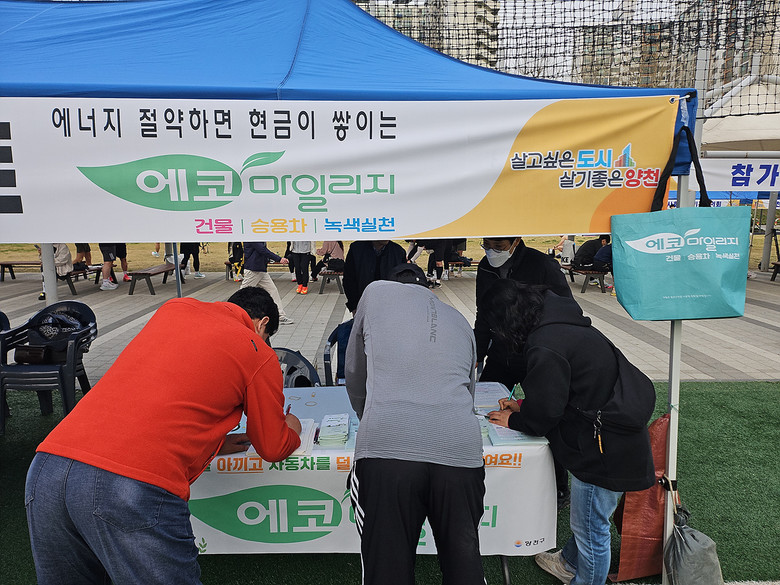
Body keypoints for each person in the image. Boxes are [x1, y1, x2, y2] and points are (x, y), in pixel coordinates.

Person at [25, 287, 302, 585]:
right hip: (131, 484)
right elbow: (273, 447)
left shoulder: (174, 310)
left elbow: (159, 396)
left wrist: (213, 443)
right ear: (262, 323)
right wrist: (293, 426)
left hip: (48, 468)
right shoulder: (256, 350)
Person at [482, 280, 654, 585]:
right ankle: (568, 563)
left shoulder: (546, 343)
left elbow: (546, 414)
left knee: (591, 529)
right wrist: (523, 407)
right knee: (589, 520)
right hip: (614, 435)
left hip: (604, 448)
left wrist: (514, 420)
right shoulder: (560, 323)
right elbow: (568, 391)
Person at [346, 263, 485, 585]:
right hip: (460, 451)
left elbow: (354, 371)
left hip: (387, 450)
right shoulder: (459, 318)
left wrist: (370, 415)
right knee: (463, 564)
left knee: (387, 571)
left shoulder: (375, 293)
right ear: (427, 288)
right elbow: (469, 389)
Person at [474, 236, 574, 509]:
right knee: (485, 410)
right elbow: (483, 313)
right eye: (486, 245)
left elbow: (566, 307)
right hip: (501, 354)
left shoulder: (543, 265)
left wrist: (548, 344)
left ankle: (558, 487)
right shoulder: (484, 267)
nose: (491, 251)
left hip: (537, 353)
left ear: (515, 240)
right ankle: (488, 473)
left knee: (547, 417)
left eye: (498, 246)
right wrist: (477, 353)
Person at [342, 240, 407, 314]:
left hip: (390, 306)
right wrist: (354, 306)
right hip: (363, 304)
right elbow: (349, 280)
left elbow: (403, 283)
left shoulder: (398, 252)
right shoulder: (356, 249)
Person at [240, 241, 294, 325]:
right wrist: (279, 259)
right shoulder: (252, 236)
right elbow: (262, 249)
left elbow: (262, 250)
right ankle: (232, 313)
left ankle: (280, 316)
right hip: (253, 270)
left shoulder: (257, 235)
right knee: (242, 294)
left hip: (260, 269)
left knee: (272, 291)